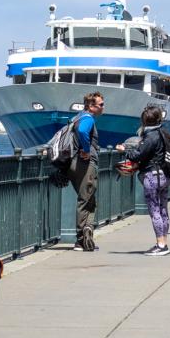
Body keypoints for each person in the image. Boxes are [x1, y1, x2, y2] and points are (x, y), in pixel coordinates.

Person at [119, 104, 170, 256]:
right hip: (165, 175)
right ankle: (164, 241)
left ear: (145, 121)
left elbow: (138, 155)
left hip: (152, 176)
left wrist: (125, 150)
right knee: (163, 209)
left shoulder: (150, 137)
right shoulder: (164, 133)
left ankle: (161, 244)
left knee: (154, 210)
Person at [70, 91, 104, 252]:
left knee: (89, 200)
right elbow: (83, 131)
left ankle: (86, 230)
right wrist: (86, 149)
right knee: (86, 199)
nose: (103, 107)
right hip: (86, 163)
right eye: (101, 105)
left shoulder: (76, 117)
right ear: (91, 106)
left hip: (74, 163)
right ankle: (81, 239)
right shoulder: (88, 119)